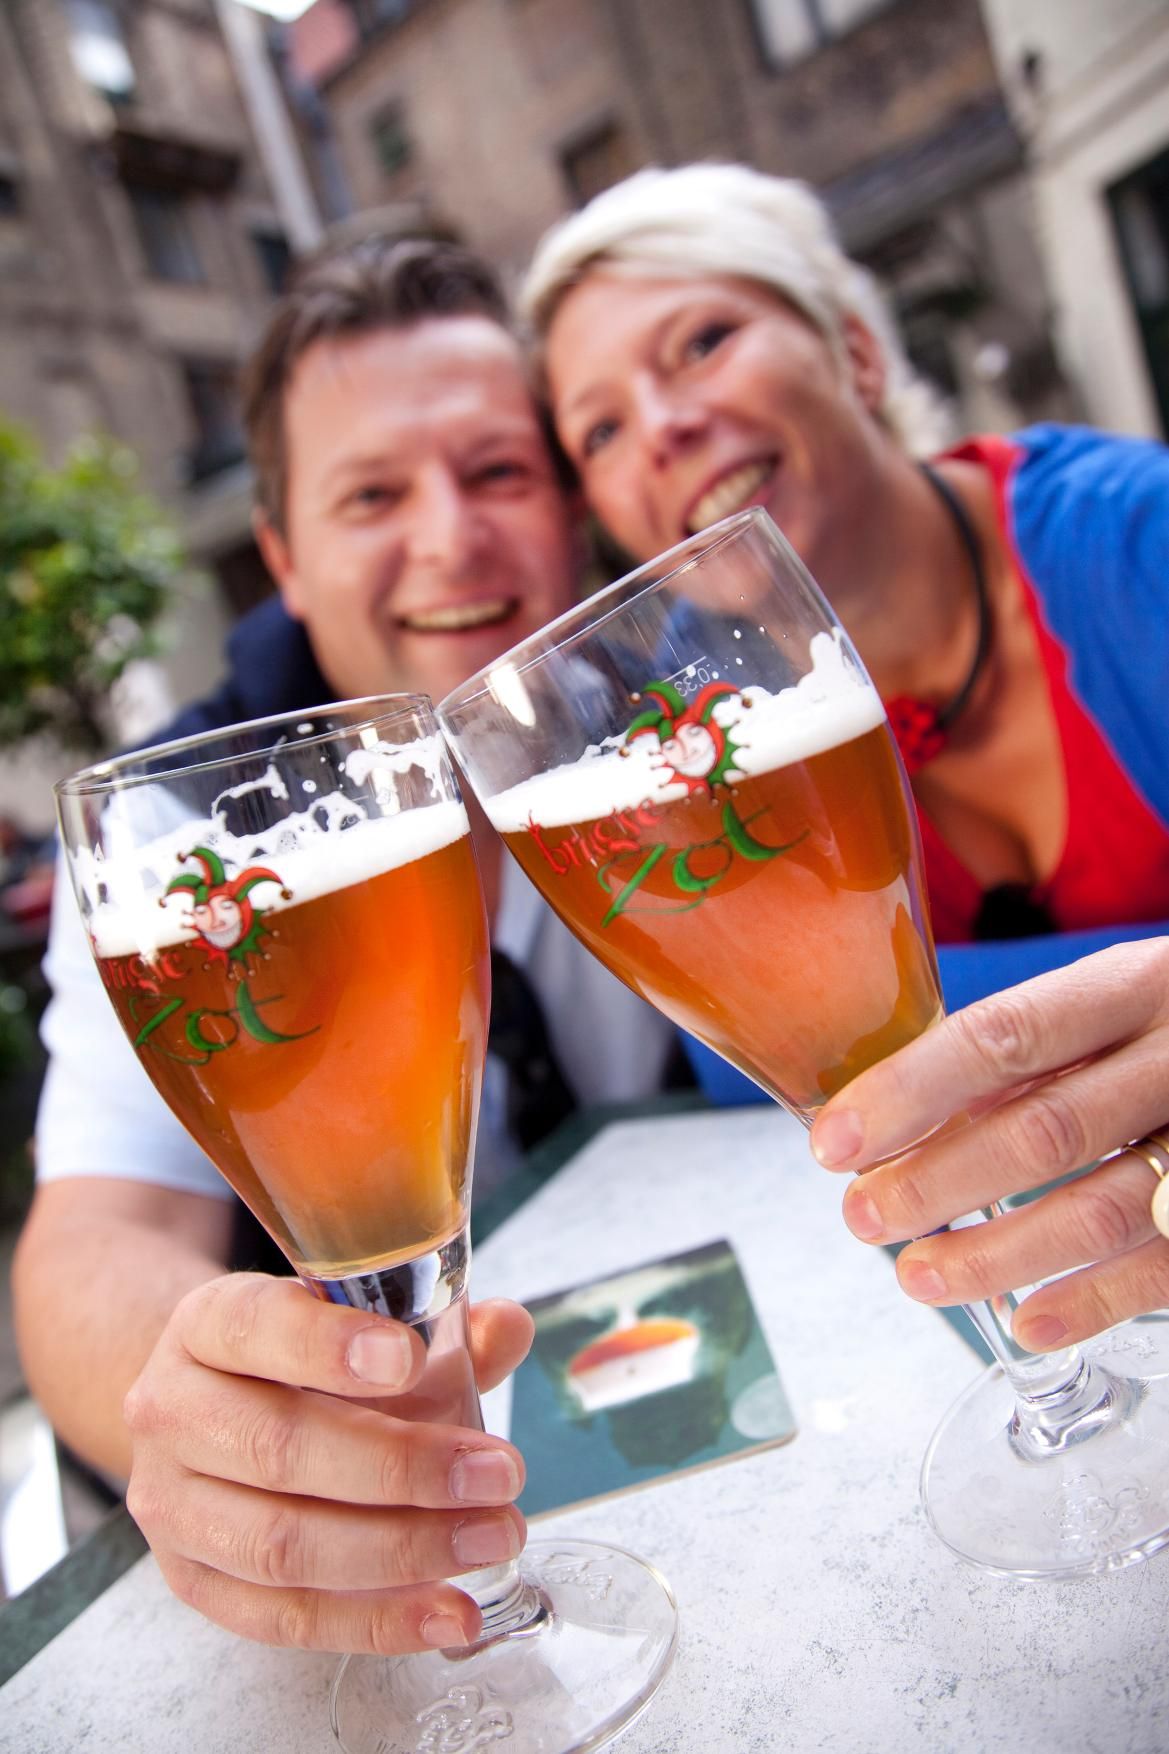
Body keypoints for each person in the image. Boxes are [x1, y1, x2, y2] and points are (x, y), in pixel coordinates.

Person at [13, 236, 681, 1657]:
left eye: (496, 471)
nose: (449, 538)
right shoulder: (164, 833)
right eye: (372, 494)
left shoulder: (674, 719)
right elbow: (98, 1232)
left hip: (686, 1408)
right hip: (375, 1564)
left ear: (566, 502)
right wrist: (217, 1408)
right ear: (282, 557)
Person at [519, 161, 1169, 1329]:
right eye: (600, 429)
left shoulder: (1132, 540)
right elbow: (743, 1054)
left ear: (855, 352)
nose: (661, 428)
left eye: (701, 341)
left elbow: (829, 1049)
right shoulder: (691, 719)